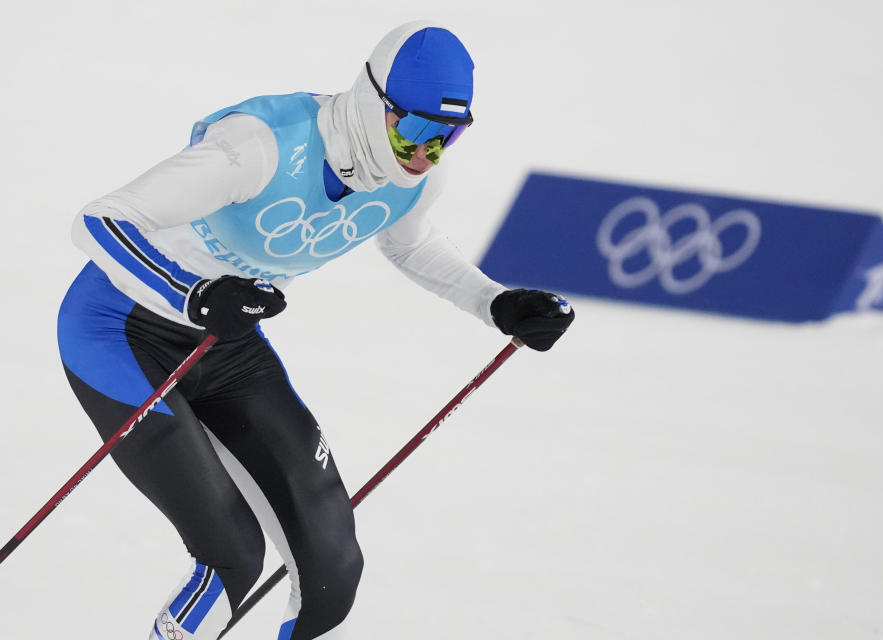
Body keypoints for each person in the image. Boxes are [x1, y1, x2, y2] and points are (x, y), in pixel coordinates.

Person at [57, 20, 574, 640]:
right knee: (234, 554)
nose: (423, 153)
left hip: (224, 343)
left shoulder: (417, 179)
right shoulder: (261, 145)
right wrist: (191, 295)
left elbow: (412, 248)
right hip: (118, 328)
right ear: (372, 99)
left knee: (331, 575)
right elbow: (103, 220)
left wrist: (498, 303)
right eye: (414, 129)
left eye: (448, 137)